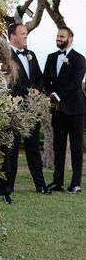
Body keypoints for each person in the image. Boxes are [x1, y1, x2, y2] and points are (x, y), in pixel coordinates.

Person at [0, 23, 50, 203]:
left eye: (26, 34)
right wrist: (27, 91)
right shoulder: (5, 56)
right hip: (13, 110)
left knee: (33, 148)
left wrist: (37, 90)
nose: (26, 36)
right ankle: (7, 188)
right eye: (23, 33)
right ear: (12, 36)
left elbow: (40, 77)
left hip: (31, 111)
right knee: (11, 150)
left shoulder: (31, 55)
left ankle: (40, 185)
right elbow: (9, 83)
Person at [44, 26, 86, 194]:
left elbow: (75, 83)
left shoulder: (80, 59)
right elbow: (46, 79)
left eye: (62, 36)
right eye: (57, 36)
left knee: (76, 148)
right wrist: (50, 94)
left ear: (70, 39)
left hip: (75, 110)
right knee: (58, 147)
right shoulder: (51, 57)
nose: (58, 38)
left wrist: (57, 95)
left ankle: (75, 183)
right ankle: (57, 181)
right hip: (57, 110)